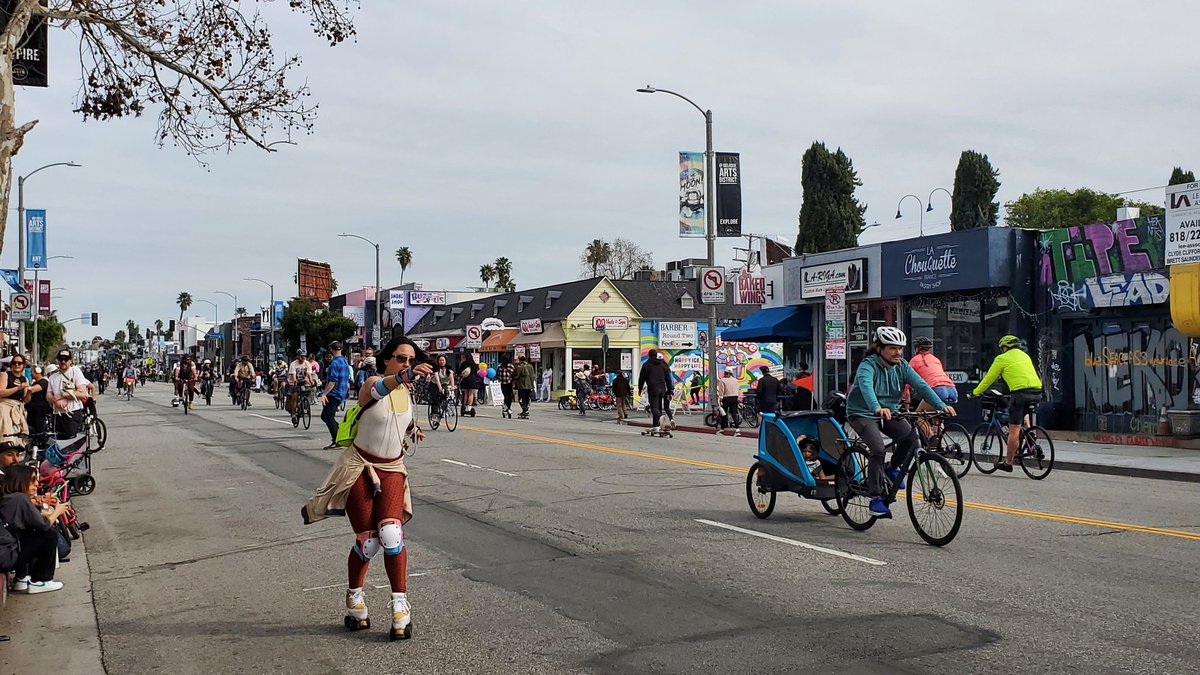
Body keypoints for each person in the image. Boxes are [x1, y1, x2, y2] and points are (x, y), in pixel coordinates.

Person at [302, 335, 431, 640]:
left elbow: (397, 418)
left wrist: (414, 428)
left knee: (391, 533)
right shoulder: (373, 382)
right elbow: (377, 393)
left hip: (393, 469)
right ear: (388, 360)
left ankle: (400, 607)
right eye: (401, 358)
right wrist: (406, 376)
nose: (407, 364)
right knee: (369, 541)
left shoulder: (405, 391)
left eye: (411, 360)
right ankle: (355, 597)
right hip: (361, 466)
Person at [846, 327, 955, 518]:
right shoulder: (867, 366)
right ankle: (875, 497)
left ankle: (891, 468)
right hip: (862, 412)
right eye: (892, 348)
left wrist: (940, 404)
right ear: (879, 348)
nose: (898, 352)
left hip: (890, 411)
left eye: (900, 348)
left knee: (911, 438)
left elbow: (921, 385)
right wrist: (876, 407)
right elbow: (866, 387)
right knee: (878, 449)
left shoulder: (902, 366)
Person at [971, 335, 1044, 472]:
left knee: (1014, 429)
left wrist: (974, 393)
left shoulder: (1001, 359)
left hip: (1020, 394)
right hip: (1037, 392)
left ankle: (1008, 462)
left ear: (1005, 347)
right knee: (1024, 411)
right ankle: (1030, 433)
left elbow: (988, 379)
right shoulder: (1025, 356)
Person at [0, 464, 69, 594]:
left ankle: (21, 578)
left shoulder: (9, 498)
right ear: (22, 480)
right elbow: (43, 525)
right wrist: (57, 512)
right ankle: (41, 580)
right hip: (8, 556)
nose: (36, 484)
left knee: (29, 534)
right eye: (33, 480)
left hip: (6, 553)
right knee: (49, 535)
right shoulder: (19, 498)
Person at [909, 336, 958, 439]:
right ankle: (938, 432)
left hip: (936, 389)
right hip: (952, 390)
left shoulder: (914, 360)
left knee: (918, 416)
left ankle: (932, 439)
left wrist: (906, 400)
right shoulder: (935, 359)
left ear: (917, 348)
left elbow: (907, 382)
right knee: (936, 413)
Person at [46, 349, 91, 438]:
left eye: (66, 359)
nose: (63, 361)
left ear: (70, 361)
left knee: (71, 443)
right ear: (57, 361)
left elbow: (82, 393)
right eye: (61, 359)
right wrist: (56, 402)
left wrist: (63, 395)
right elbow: (48, 396)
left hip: (72, 413)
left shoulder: (75, 371)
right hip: (57, 414)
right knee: (58, 443)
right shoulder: (52, 377)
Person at [319, 342, 351, 449]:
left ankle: (337, 439)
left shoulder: (334, 363)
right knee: (325, 416)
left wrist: (324, 394)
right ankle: (339, 434)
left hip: (334, 394)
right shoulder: (345, 362)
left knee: (328, 417)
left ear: (331, 350)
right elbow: (347, 379)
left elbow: (332, 382)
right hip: (341, 392)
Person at [638, 349, 675, 433]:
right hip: (662, 388)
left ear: (649, 355)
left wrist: (640, 389)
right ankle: (656, 425)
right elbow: (668, 378)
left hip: (652, 388)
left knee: (654, 407)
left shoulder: (646, 365)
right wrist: (669, 390)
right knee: (658, 407)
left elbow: (641, 378)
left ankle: (658, 418)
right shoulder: (663, 364)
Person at [0, 356, 30, 445]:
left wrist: (29, 392)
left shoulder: (25, 379)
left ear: (23, 365)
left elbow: (25, 400)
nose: (17, 364)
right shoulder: (5, 375)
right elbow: (1, 392)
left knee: (20, 436)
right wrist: (18, 388)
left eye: (19, 363)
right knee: (6, 434)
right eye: (14, 362)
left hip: (18, 408)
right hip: (5, 407)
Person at [24, 365, 52, 448]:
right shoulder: (35, 382)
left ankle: (43, 446)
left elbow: (32, 390)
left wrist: (25, 388)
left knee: (40, 430)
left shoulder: (44, 382)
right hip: (32, 410)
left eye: (32, 372)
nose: (31, 374)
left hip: (40, 411)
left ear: (37, 371)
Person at [429, 355, 455, 420]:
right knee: (435, 399)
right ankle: (435, 415)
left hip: (444, 383)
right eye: (440, 360)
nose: (442, 362)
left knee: (445, 395)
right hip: (435, 384)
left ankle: (445, 408)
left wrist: (452, 387)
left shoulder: (449, 369)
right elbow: (437, 380)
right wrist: (440, 388)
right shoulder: (436, 369)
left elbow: (451, 378)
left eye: (443, 360)